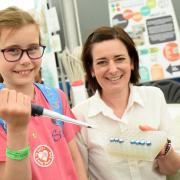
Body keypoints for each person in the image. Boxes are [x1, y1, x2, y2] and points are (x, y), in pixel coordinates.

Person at [72, 25, 180, 180]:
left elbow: (171, 169)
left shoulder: (154, 98)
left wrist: (164, 147)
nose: (113, 69)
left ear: (132, 62)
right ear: (91, 70)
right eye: (102, 62)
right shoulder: (79, 116)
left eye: (120, 59)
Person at [0, 6, 87, 180]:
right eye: (13, 50)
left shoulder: (56, 97)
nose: (25, 60)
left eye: (32, 48)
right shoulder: (3, 111)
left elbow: (75, 158)